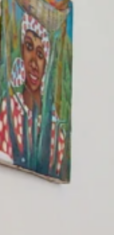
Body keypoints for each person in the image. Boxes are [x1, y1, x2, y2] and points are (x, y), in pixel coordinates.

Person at [0, 11, 66, 175]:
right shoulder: (8, 109)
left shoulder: (54, 128)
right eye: (29, 47)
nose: (34, 63)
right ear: (22, 50)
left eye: (40, 54)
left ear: (46, 65)